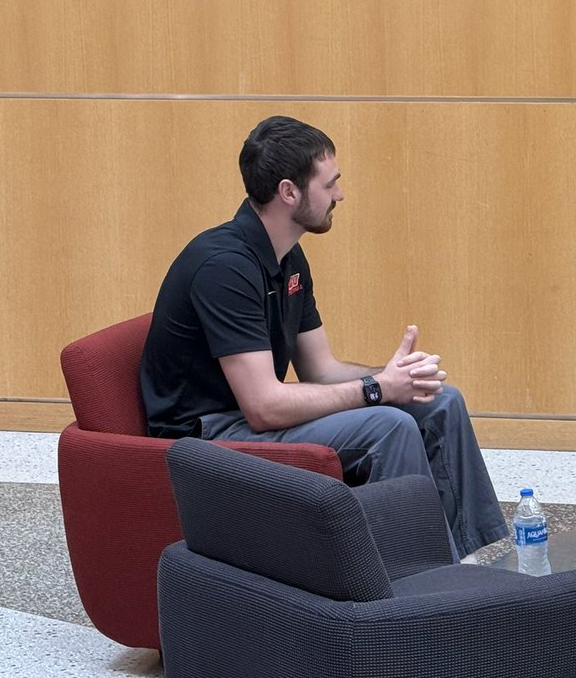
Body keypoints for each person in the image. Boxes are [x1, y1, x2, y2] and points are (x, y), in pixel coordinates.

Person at [140, 115, 507, 557]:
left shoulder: (288, 257)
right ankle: (422, 587)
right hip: (204, 435)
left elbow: (321, 369)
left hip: (248, 412)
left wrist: (396, 378)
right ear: (289, 191)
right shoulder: (224, 267)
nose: (340, 194)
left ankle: (479, 565)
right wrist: (377, 391)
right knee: (387, 425)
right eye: (329, 184)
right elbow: (264, 407)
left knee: (439, 401)